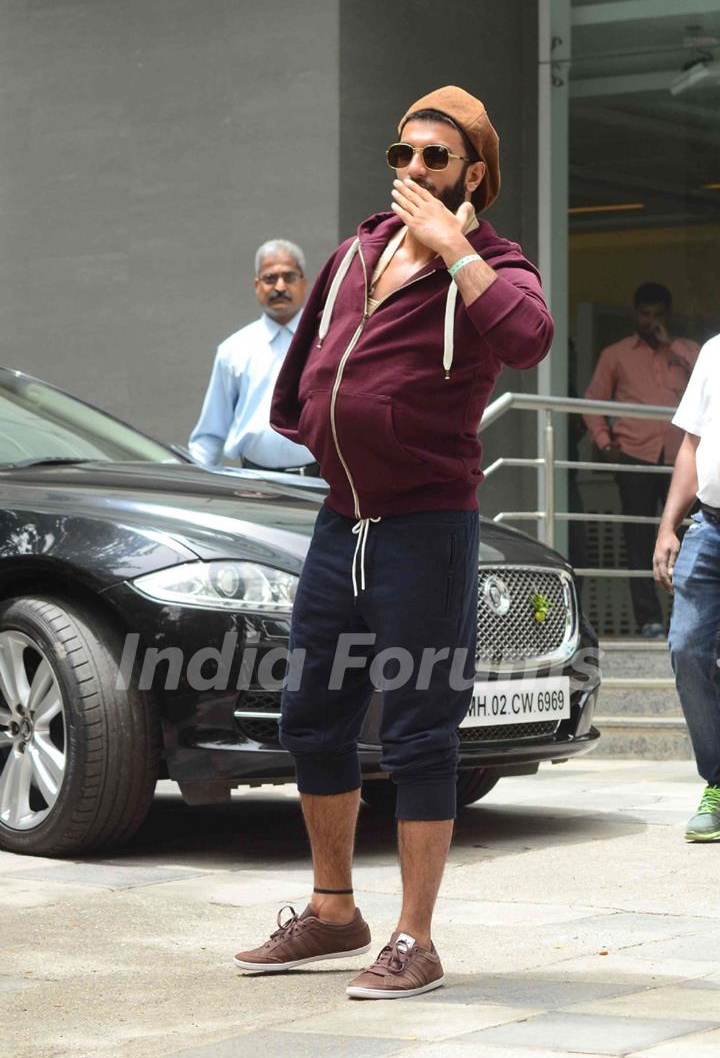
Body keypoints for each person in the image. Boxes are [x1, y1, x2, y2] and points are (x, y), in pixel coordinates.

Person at [233, 86, 554, 998]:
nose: (412, 171)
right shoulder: (357, 251)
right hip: (344, 519)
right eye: (402, 155)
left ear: (475, 176)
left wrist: (456, 247)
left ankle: (416, 938)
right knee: (311, 718)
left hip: (426, 526)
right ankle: (336, 911)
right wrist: (319, 430)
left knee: (419, 733)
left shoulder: (495, 262)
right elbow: (311, 364)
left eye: (435, 159)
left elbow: (531, 337)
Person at [583, 283, 700, 638]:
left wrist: (672, 344)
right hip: (634, 456)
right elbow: (592, 402)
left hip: (682, 458)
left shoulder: (688, 351)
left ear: (667, 315)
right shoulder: (616, 354)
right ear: (636, 314)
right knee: (638, 540)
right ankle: (648, 621)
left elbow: (711, 379)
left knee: (691, 538)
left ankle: (690, 619)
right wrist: (606, 444)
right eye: (645, 314)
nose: (650, 321)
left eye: (657, 315)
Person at [653, 333, 720, 842]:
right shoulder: (715, 351)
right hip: (710, 526)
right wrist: (667, 526)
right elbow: (692, 443)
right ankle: (717, 782)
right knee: (686, 648)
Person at [188, 239, 315, 473]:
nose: (279, 287)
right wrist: (195, 485)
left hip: (319, 482)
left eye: (288, 277)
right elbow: (211, 433)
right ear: (257, 285)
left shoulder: (324, 341)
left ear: (304, 283)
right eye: (269, 278)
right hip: (254, 482)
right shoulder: (234, 349)